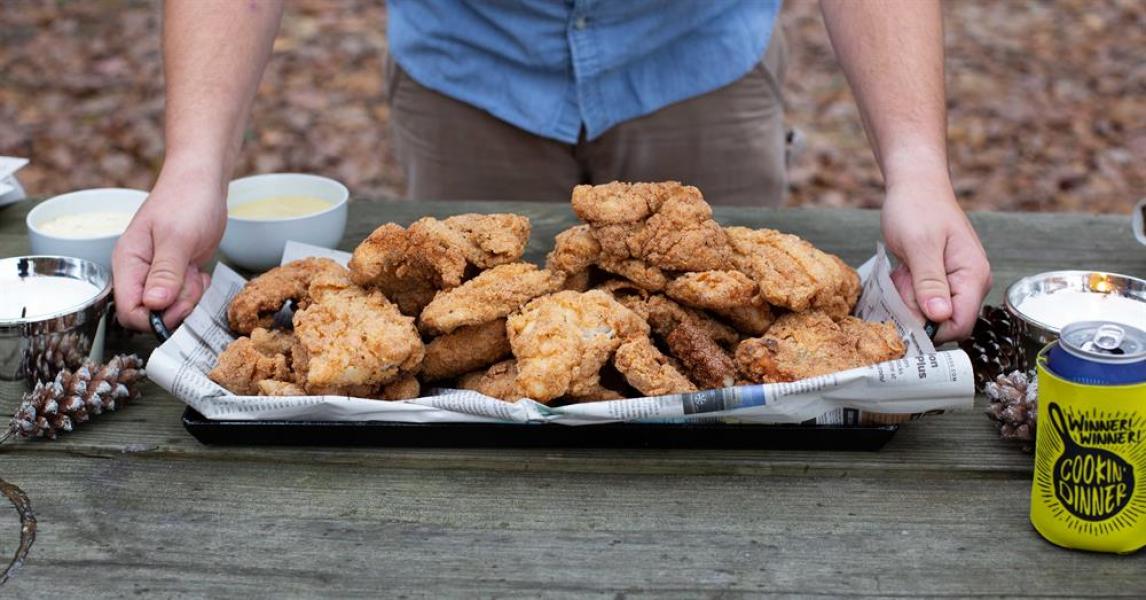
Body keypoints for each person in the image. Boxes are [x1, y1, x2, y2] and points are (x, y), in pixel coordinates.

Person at [113, 0, 991, 343]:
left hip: (697, 58)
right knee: (438, 327)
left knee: (739, 334)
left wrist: (917, 167)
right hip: (469, 65)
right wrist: (195, 163)